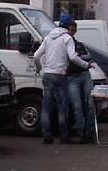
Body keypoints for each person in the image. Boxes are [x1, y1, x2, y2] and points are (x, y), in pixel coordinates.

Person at [34, 14, 91, 144]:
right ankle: (64, 136)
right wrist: (86, 65)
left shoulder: (48, 38)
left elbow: (36, 56)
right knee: (62, 107)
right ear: (68, 26)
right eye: (71, 25)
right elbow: (73, 57)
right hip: (60, 75)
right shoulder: (67, 38)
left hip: (47, 74)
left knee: (46, 107)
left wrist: (39, 67)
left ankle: (47, 135)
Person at [65, 21, 97, 143]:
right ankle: (80, 131)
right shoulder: (64, 44)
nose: (71, 32)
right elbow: (69, 58)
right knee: (77, 105)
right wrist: (78, 58)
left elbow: (88, 57)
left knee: (90, 103)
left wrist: (77, 57)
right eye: (70, 30)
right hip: (72, 77)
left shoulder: (79, 44)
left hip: (84, 75)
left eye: (73, 30)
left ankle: (89, 131)